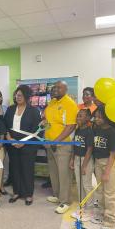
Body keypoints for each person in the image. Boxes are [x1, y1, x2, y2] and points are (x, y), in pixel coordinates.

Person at [45, 81, 78, 214]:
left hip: (62, 145)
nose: (55, 89)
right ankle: (58, 195)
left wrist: (56, 141)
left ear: (65, 89)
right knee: (54, 171)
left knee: (64, 173)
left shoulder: (69, 104)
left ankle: (66, 201)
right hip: (49, 143)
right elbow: (49, 122)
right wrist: (44, 126)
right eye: (54, 87)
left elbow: (71, 126)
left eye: (59, 87)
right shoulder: (52, 102)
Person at [4, 85, 41, 205]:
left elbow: (37, 130)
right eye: (16, 95)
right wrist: (9, 138)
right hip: (12, 145)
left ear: (26, 96)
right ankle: (16, 192)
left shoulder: (34, 111)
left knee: (27, 169)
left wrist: (23, 142)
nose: (17, 97)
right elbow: (5, 126)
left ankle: (28, 194)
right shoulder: (10, 109)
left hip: (28, 145)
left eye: (20, 95)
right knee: (15, 168)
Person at [92, 106, 115, 229]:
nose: (97, 119)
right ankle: (103, 214)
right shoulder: (97, 129)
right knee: (101, 190)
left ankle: (110, 222)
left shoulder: (112, 132)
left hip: (110, 163)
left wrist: (107, 172)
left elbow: (113, 154)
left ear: (106, 118)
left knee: (110, 193)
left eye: (99, 117)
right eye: (96, 116)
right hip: (99, 162)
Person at [69, 109, 94, 221]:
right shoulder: (78, 130)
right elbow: (75, 145)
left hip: (86, 160)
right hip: (77, 159)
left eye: (81, 116)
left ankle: (90, 209)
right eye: (77, 116)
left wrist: (84, 166)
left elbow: (89, 149)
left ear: (87, 118)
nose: (78, 118)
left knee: (86, 185)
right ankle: (82, 206)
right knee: (79, 184)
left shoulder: (89, 131)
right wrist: (72, 159)